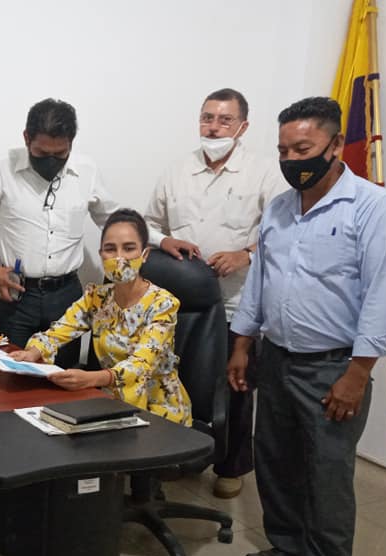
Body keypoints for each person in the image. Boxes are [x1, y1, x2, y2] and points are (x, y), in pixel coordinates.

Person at [228, 97, 386, 556]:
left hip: (334, 366)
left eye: (302, 148)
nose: (291, 159)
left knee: (327, 479)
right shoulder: (280, 208)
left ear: (334, 146)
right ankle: (287, 543)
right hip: (277, 357)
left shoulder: (375, 208)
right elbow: (261, 281)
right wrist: (242, 343)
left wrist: (358, 373)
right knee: (276, 460)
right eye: (283, 150)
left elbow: (385, 296)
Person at [144, 88, 287, 499]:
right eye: (207, 118)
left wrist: (246, 254)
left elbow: (285, 232)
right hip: (180, 303)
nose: (214, 127)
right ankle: (178, 455)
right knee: (177, 380)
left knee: (234, 385)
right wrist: (165, 240)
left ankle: (231, 466)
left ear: (243, 126)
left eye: (225, 120)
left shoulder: (264, 172)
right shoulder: (177, 170)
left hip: (236, 302)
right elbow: (148, 223)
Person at [0, 98, 119, 368]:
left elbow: (115, 221)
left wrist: (161, 240)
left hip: (67, 296)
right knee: (6, 374)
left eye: (60, 154)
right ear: (26, 138)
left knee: (62, 378)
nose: (51, 161)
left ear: (71, 144)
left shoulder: (86, 171)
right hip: (17, 295)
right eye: (41, 153)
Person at [10, 208, 191, 425]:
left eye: (129, 248)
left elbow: (141, 365)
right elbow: (57, 332)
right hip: (111, 405)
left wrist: (93, 379)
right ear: (101, 254)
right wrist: (34, 352)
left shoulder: (163, 304)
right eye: (110, 249)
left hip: (159, 412)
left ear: (145, 254)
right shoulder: (96, 297)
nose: (119, 257)